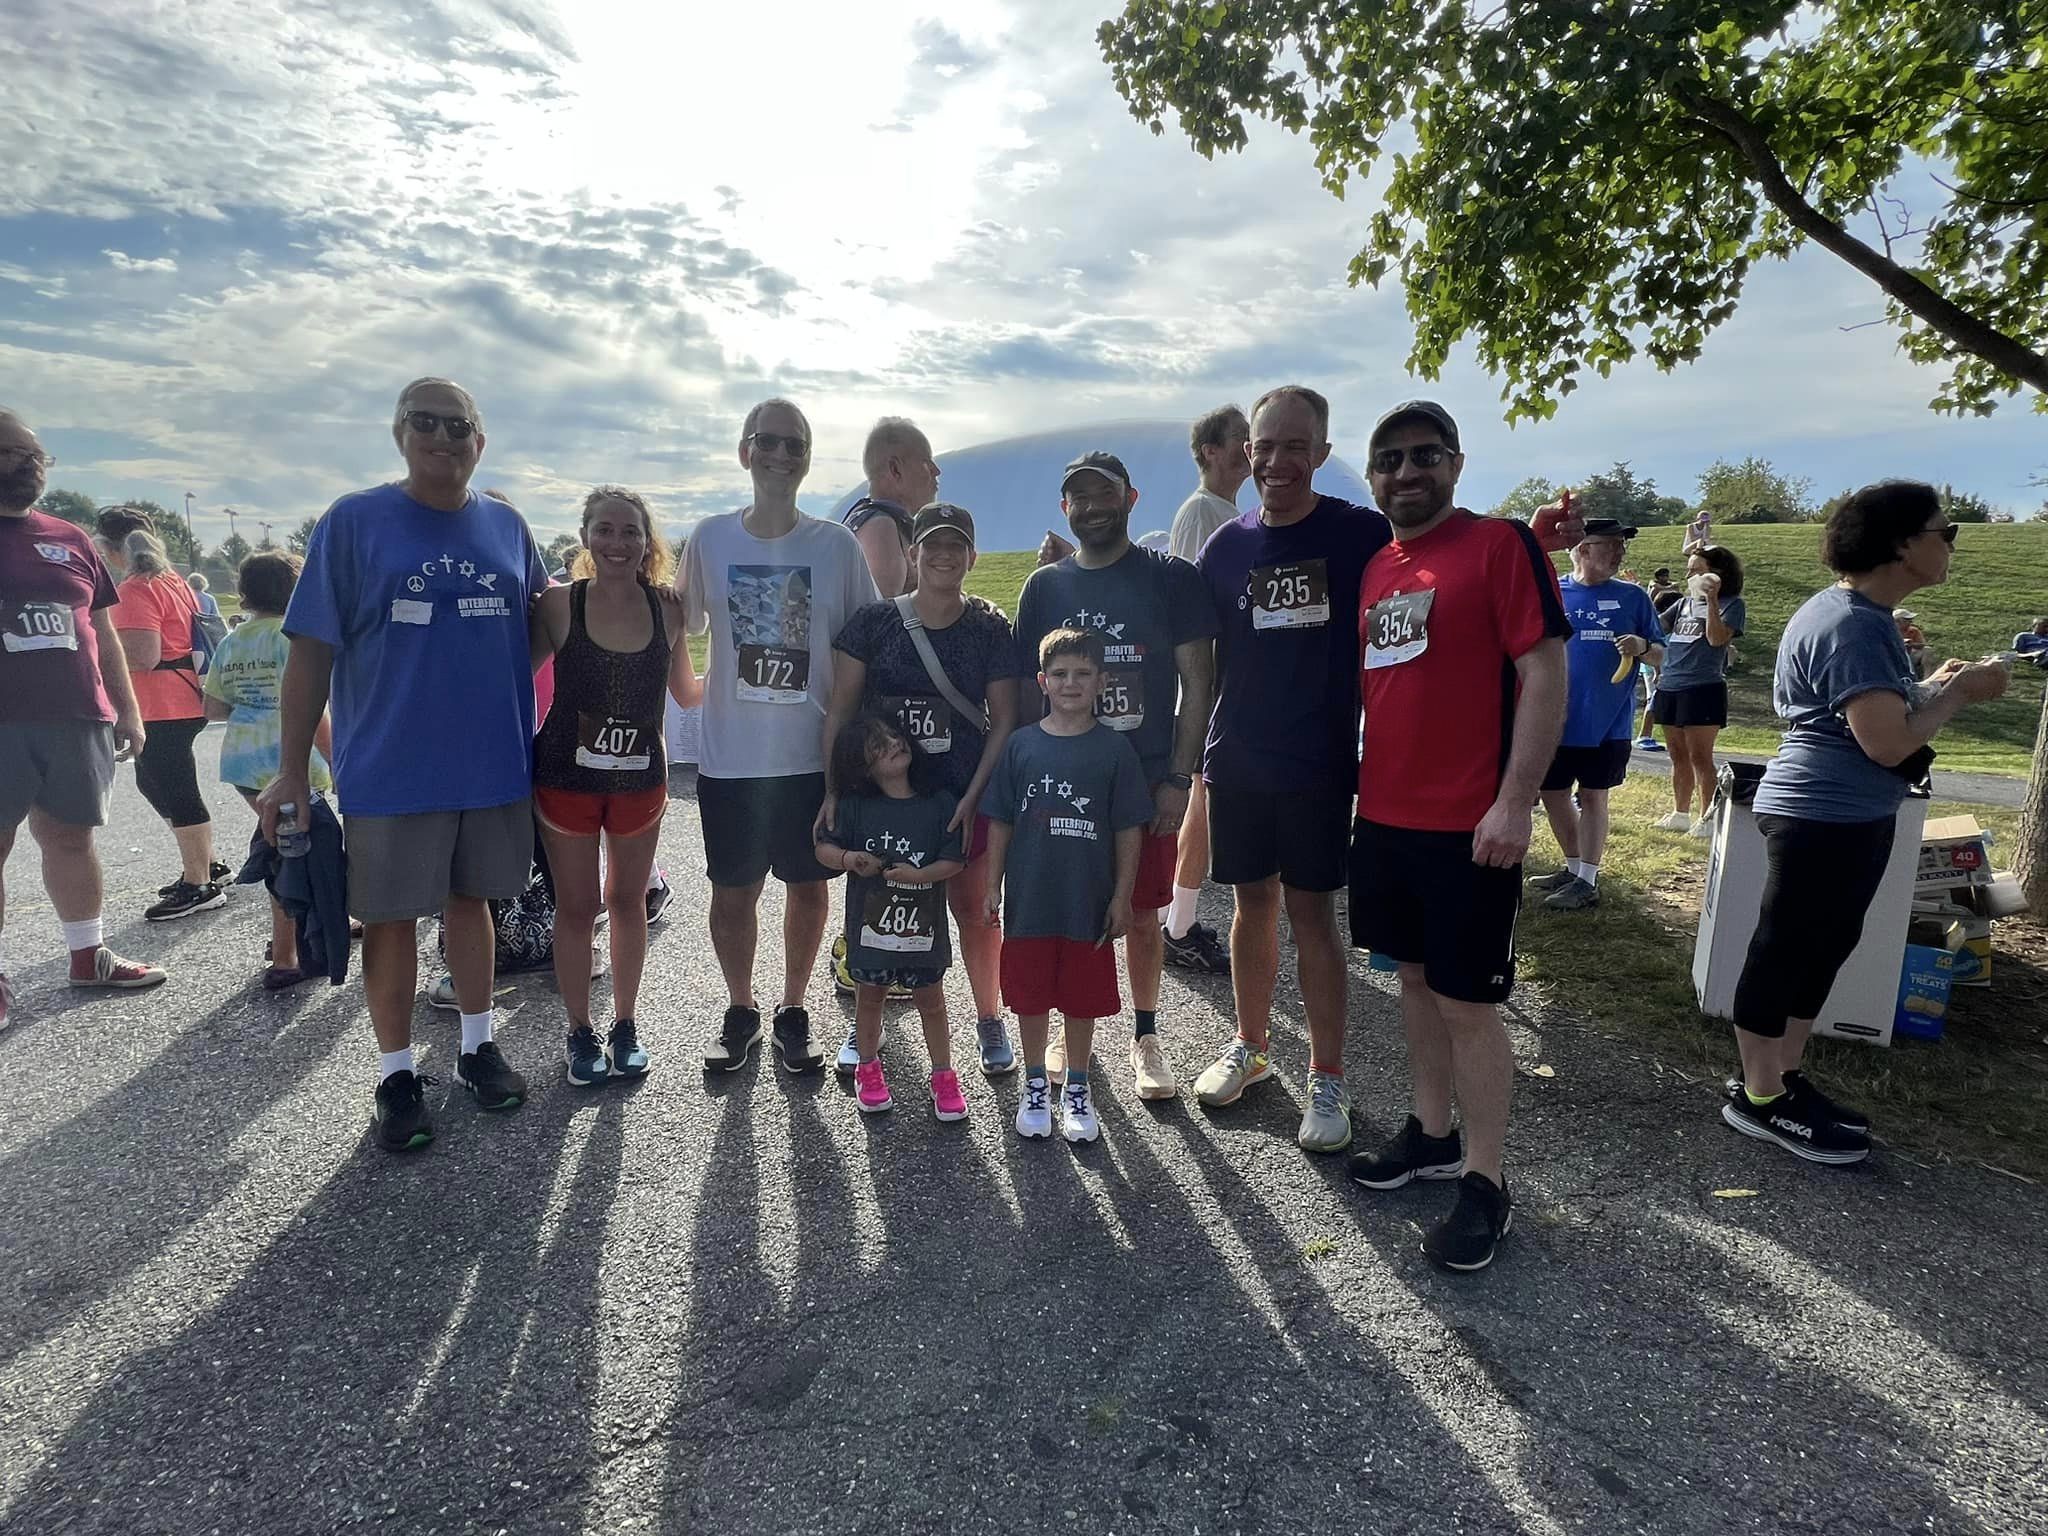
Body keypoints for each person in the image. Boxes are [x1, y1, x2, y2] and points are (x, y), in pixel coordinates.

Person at [260, 377, 549, 1153]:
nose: (444, 437)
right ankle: (395, 1074)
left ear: (480, 442)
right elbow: (311, 654)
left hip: (491, 765)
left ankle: (476, 1048)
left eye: (460, 425)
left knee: (472, 906)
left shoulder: (508, 526)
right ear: (399, 433)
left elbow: (543, 626)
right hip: (391, 767)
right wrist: (293, 769)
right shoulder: (354, 523)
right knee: (389, 921)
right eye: (426, 422)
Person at [1344, 400, 1568, 1272]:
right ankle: (1431, 1136)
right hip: (1387, 818)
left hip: (1471, 826)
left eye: (1424, 456)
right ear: (1372, 477)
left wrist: (1515, 801)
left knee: (1469, 1003)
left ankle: (1485, 1181)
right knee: (1412, 981)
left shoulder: (1498, 545)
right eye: (1389, 459)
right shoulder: (1377, 570)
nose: (1406, 472)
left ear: (1456, 463)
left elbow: (1543, 669)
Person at [1726, 481, 2008, 1164]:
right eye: (1947, 531)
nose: (1951, 545)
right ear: (1903, 544)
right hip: (1823, 814)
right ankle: (1759, 1099)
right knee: (1787, 949)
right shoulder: (1855, 622)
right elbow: (1885, 743)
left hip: (1844, 813)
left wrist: (1929, 687)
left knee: (1823, 947)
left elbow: (1876, 713)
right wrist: (1962, 693)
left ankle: (1781, 1079)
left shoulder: (1853, 614)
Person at [1189, 386, 1391, 1153]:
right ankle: (1252, 1047)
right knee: (1250, 907)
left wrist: (1532, 541)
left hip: (1316, 763)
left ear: (1323, 453)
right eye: (1264, 446)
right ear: (1246, 452)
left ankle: (1328, 1076)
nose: (1276, 461)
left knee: (1312, 917)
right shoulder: (1226, 546)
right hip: (1236, 756)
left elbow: (1432, 564)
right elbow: (1192, 650)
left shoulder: (1357, 533)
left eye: (1294, 446)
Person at [676, 398, 878, 1073]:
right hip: (732, 758)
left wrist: (857, 752)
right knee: (732, 893)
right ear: (745, 452)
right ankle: (741, 1009)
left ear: (809, 458)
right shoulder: (709, 539)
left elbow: (869, 644)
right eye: (769, 442)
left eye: (796, 445)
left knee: (808, 886)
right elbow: (682, 627)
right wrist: (685, 694)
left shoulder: (836, 546)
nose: (782, 455)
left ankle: (793, 1007)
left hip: (808, 756)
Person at [1014, 452, 1217, 1101]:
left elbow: (1198, 681)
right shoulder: (1045, 588)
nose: (1091, 505)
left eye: (1104, 493)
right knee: (1064, 906)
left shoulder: (1170, 577)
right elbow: (1024, 691)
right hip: (1061, 782)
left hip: (1145, 781)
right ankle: (1065, 1033)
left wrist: (1179, 779)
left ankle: (1146, 1035)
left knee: (1139, 915)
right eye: (1078, 495)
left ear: (1131, 498)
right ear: (1064, 508)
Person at [823, 502, 1022, 1075]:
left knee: (977, 911)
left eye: (955, 545)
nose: (942, 554)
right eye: (931, 543)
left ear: (972, 557)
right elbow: (841, 709)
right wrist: (834, 788)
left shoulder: (989, 625)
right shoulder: (873, 623)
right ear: (911, 553)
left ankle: (988, 1018)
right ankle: (870, 1028)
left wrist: (973, 796)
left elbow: (1003, 719)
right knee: (876, 905)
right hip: (884, 798)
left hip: (961, 795)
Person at [0, 408, 164, 1025]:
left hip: (76, 716)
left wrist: (128, 709)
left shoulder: (68, 539)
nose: (30, 464)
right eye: (14, 453)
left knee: (71, 838)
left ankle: (87, 954)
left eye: (37, 456)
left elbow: (101, 631)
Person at [530, 487, 697, 1086]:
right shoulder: (556, 606)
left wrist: (756, 674)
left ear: (646, 541)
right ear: (586, 537)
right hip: (565, 781)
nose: (617, 543)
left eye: (630, 532)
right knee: (576, 907)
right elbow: (510, 684)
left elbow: (687, 693)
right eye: (605, 530)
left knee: (627, 903)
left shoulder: (668, 610)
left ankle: (624, 1023)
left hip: (639, 786)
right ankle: (579, 1030)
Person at [983, 628, 1151, 1143]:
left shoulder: (1115, 750)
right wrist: (991, 885)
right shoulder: (1021, 746)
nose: (1070, 682)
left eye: (1082, 673)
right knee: (1030, 998)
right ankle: (1036, 1082)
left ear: (1101, 681)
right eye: (1060, 674)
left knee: (1081, 1000)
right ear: (1042, 681)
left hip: (1089, 903)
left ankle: (1076, 1085)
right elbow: (1000, 822)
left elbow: (1128, 827)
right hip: (1030, 903)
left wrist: (1122, 896)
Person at [815, 711, 968, 1117]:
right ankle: (868, 1068)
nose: (894, 744)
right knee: (869, 999)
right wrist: (850, 858)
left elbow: (954, 862)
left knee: (932, 1002)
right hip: (871, 933)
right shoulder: (854, 806)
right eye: (878, 746)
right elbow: (823, 849)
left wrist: (920, 875)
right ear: (863, 766)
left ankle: (943, 1076)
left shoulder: (939, 804)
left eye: (894, 736)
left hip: (925, 932)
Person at [201, 551, 336, 989]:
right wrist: (337, 761)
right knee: (291, 857)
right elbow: (311, 709)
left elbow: (214, 707)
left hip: (243, 760)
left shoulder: (233, 639)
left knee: (289, 849)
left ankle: (324, 924)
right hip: (288, 758)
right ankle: (286, 954)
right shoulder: (292, 636)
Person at [97, 504, 225, 920]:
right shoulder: (174, 581)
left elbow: (144, 654)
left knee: (174, 788)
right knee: (155, 783)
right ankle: (207, 864)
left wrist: (101, 652)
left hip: (161, 702)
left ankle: (199, 883)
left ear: (111, 550)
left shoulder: (136, 588)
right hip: (184, 695)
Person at [1531, 519, 1664, 911]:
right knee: (1552, 793)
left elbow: (1661, 654)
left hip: (1608, 721)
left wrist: (1643, 646)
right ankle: (1573, 869)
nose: (1620, 553)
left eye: (1622, 546)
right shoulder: (1554, 591)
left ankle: (1588, 879)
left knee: (1593, 795)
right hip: (1553, 719)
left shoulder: (1633, 597)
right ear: (1583, 549)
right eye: (1611, 546)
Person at [1163, 404, 1250, 976]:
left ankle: (1179, 918)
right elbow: (1196, 608)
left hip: (1222, 684)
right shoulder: (1204, 514)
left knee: (1206, 802)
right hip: (1214, 687)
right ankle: (1178, 924)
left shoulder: (1224, 509)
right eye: (1242, 439)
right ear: (1210, 452)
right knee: (1204, 800)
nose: (1252, 448)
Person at [1650, 543, 1746, 835]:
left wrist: (1712, 601)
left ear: (1716, 574)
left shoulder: (1732, 604)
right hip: (1670, 684)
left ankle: (1706, 818)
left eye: (1696, 570)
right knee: (1677, 753)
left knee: (1699, 757)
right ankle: (1680, 812)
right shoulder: (1682, 604)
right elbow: (1654, 628)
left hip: (1703, 687)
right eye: (1689, 569)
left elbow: (1717, 640)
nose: (1689, 574)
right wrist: (1644, 597)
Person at [840, 417, 939, 601]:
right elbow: (880, 621)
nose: (936, 471)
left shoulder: (866, 521)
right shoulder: (881, 527)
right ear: (895, 469)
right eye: (926, 461)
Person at [1893, 608, 1929, 678]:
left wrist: (1911, 644)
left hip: (1910, 654)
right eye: (1907, 620)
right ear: (1897, 621)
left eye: (1910, 620)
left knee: (1927, 650)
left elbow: (1922, 644)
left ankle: (1928, 678)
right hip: (1894, 657)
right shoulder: (1889, 630)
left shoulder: (1914, 630)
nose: (1910, 622)